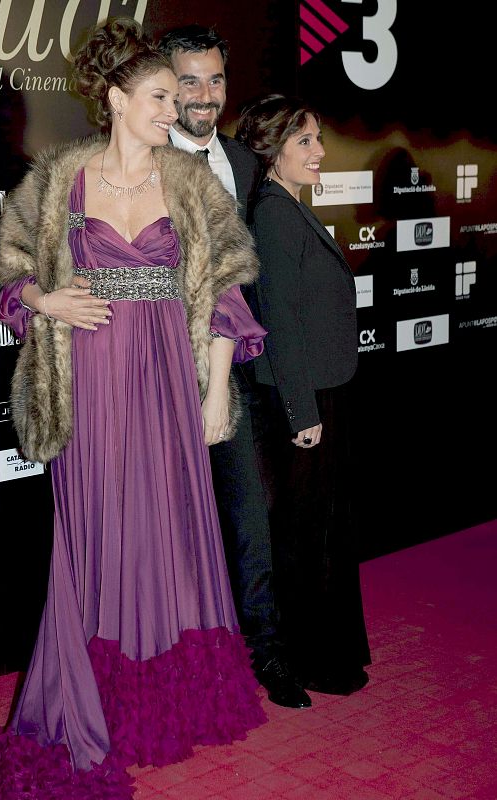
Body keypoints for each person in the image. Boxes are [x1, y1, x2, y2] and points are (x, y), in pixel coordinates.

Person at [0, 18, 268, 799]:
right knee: (95, 536)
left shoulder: (190, 183)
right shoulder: (58, 177)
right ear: (115, 98)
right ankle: (88, 701)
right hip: (88, 386)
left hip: (170, 378)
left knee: (168, 535)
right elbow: (7, 280)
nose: (176, 110)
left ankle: (159, 702)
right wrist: (45, 297)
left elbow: (228, 296)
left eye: (179, 96)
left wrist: (215, 392)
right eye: (162, 95)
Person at [157, 26, 311, 709]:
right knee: (168, 532)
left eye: (215, 80)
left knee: (253, 518)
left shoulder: (248, 167)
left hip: (240, 374)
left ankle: (267, 655)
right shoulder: (137, 163)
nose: (204, 95)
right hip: (158, 376)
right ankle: (176, 666)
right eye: (188, 80)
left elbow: (265, 281)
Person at [235, 94, 371, 696]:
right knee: (304, 532)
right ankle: (311, 657)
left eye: (317, 139)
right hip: (305, 397)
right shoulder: (272, 213)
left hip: (323, 387)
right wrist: (302, 411)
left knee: (324, 527)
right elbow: (280, 320)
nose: (320, 152)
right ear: (272, 152)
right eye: (305, 142)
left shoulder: (289, 206)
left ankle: (328, 649)